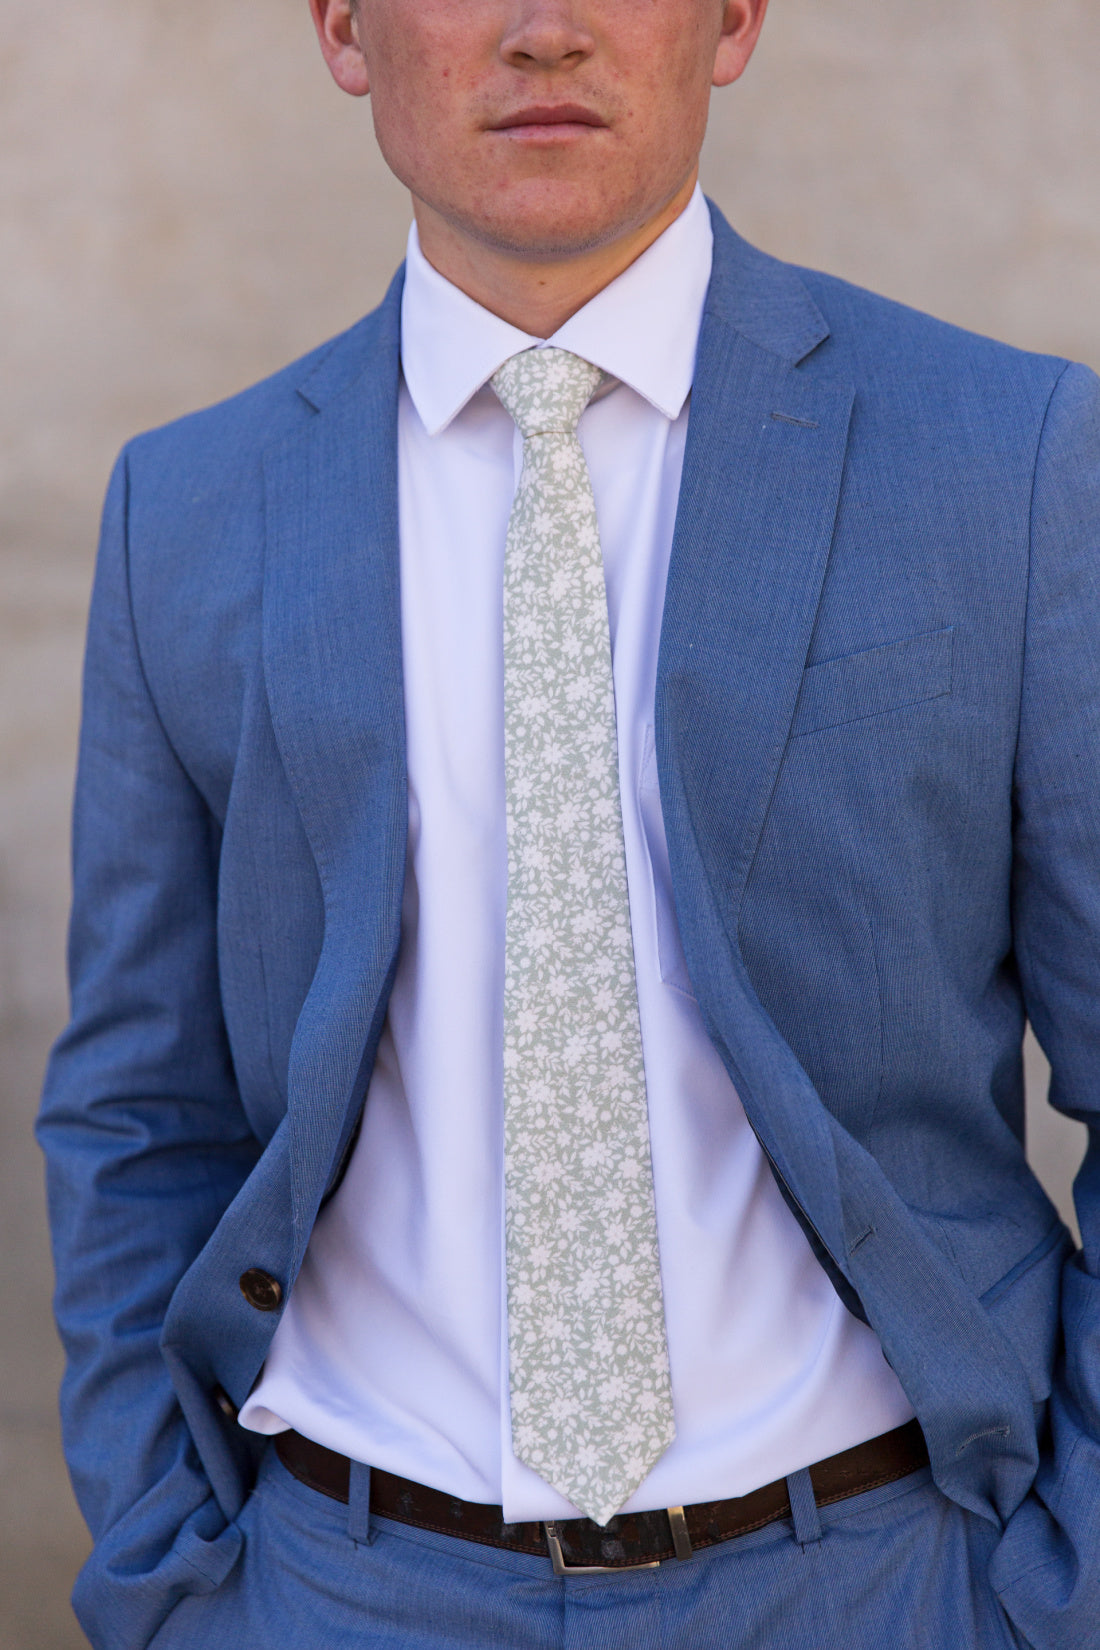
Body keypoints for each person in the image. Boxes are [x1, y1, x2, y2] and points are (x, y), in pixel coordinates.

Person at [37, 0, 1100, 1645]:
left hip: (888, 1583)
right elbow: (135, 1108)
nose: (546, 31)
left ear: (733, 19)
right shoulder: (189, 508)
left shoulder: (1011, 459)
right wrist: (179, 1588)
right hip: (337, 1588)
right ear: (341, 28)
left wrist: (1063, 1585)